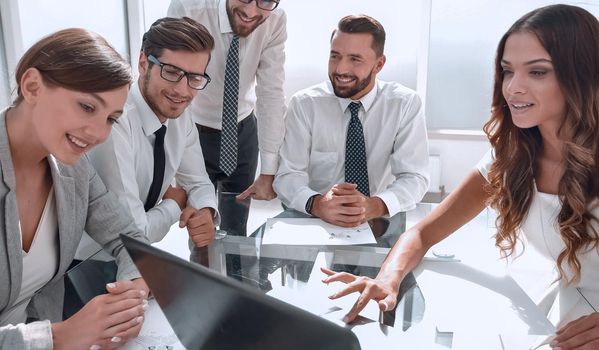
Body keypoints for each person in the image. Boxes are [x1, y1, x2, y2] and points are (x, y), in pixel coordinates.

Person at [322, 5, 599, 349]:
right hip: (563, 320)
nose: (513, 87)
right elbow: (423, 232)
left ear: (583, 74)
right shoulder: (512, 156)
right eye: (507, 71)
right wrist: (388, 278)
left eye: (538, 72)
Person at [0, 29, 151, 349]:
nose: (98, 133)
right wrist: (57, 337)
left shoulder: (73, 170)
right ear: (32, 86)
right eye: (86, 107)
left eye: (111, 118)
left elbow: (131, 239)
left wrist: (131, 295)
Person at [273, 14, 429, 229]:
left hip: (379, 220)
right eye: (335, 56)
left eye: (355, 59)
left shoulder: (404, 104)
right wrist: (317, 204)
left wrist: (374, 205)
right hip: (315, 221)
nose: (340, 69)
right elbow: (288, 175)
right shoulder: (305, 104)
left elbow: (414, 177)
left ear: (379, 64)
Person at [88, 17, 218, 248]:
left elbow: (198, 182)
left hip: (140, 258)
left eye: (194, 78)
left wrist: (205, 210)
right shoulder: (114, 122)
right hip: (93, 260)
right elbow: (132, 232)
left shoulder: (180, 115)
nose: (181, 90)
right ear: (143, 63)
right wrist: (174, 205)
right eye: (171, 71)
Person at [167, 0, 287, 236]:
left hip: (242, 133)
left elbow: (271, 92)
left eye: (264, 1)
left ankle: (233, 273)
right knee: (201, 230)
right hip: (195, 132)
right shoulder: (188, 8)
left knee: (236, 229)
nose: (251, 11)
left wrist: (268, 171)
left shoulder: (275, 19)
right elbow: (170, 80)